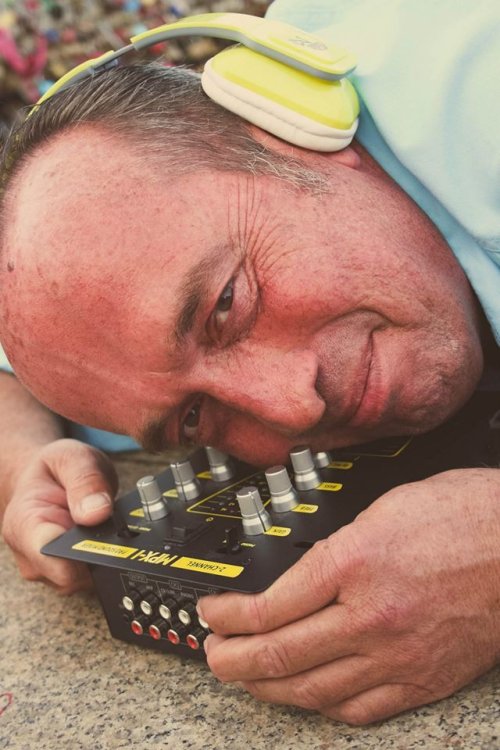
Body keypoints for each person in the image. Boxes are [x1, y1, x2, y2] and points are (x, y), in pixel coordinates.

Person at [0, 0, 499, 725]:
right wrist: (22, 462)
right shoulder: (164, 295)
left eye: (228, 305)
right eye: (195, 418)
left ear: (294, 129)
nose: (292, 406)